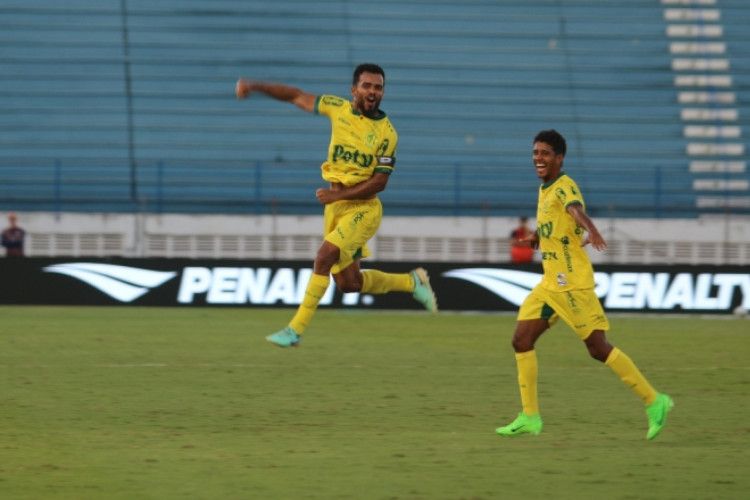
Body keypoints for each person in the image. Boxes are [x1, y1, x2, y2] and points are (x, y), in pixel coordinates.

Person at [236, 63, 438, 348]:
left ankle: (295, 330)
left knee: (324, 257)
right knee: (349, 284)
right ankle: (411, 282)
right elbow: (296, 96)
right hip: (336, 209)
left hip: (363, 209)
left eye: (378, 87)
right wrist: (255, 86)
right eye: (367, 86)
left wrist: (337, 197)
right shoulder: (337, 108)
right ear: (353, 89)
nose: (373, 92)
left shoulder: (387, 134)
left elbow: (380, 183)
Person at [495, 130, 673, 440]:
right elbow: (555, 219)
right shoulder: (545, 188)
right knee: (521, 340)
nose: (538, 157)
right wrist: (540, 235)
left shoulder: (565, 186)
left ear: (559, 158)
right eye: (536, 152)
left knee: (597, 348)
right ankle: (530, 416)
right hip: (550, 284)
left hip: (572, 285)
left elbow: (574, 210)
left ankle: (654, 400)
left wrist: (592, 229)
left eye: (545, 153)